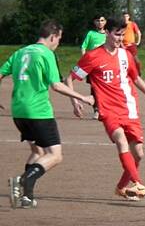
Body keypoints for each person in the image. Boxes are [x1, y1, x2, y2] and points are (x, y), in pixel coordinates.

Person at [65, 17, 145, 201]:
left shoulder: (126, 55)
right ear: (108, 33)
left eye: (122, 35)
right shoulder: (93, 56)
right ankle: (138, 183)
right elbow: (69, 78)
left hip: (129, 108)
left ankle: (121, 187)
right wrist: (74, 101)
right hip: (108, 109)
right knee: (121, 141)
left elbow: (135, 78)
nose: (120, 38)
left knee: (139, 154)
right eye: (117, 34)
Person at [0, 19, 94, 209]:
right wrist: (82, 98)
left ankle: (26, 197)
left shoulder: (21, 52)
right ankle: (23, 180)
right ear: (53, 36)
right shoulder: (46, 54)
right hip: (38, 112)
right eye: (59, 39)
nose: (58, 43)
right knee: (55, 155)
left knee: (38, 152)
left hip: (19, 111)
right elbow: (56, 85)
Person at [81, 14, 107, 119]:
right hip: (93, 66)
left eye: (102, 20)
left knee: (107, 87)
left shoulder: (109, 34)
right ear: (94, 22)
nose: (100, 22)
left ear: (105, 22)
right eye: (98, 20)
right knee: (94, 88)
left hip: (106, 66)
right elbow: (83, 47)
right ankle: (96, 110)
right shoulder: (91, 34)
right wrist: (85, 60)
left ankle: (105, 108)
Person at [122, 12, 143, 76]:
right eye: (124, 16)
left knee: (136, 60)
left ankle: (139, 73)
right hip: (122, 45)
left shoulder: (132, 24)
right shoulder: (121, 25)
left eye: (126, 16)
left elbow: (139, 33)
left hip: (131, 45)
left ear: (129, 17)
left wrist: (138, 42)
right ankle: (125, 74)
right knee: (123, 60)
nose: (125, 18)